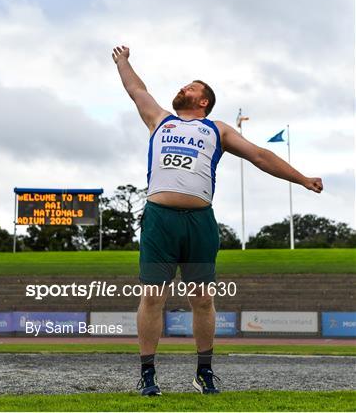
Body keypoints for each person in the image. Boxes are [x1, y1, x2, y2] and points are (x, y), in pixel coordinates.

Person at [112, 45, 323, 396]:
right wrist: (123, 62)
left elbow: (259, 155)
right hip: (159, 220)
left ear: (204, 101)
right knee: (152, 297)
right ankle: (148, 376)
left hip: (199, 222)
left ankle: (204, 373)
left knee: (204, 299)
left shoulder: (217, 130)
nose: (183, 88)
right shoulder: (159, 119)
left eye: (190, 87)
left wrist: (300, 178)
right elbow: (136, 90)